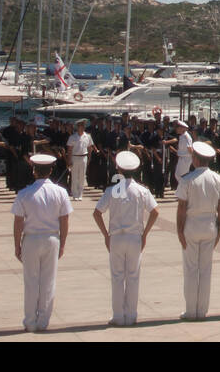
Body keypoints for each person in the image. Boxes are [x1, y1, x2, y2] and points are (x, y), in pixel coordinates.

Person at [94, 151, 159, 326]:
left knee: (117, 277)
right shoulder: (142, 190)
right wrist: (145, 233)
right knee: (133, 276)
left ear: (119, 169)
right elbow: (155, 212)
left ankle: (118, 315)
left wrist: (105, 235)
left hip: (116, 237)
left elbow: (97, 213)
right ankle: (131, 315)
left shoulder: (112, 190)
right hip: (134, 237)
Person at [11, 153, 73, 332]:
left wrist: (17, 245)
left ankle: (30, 321)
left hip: (31, 238)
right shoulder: (60, 192)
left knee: (31, 281)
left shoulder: (24, 193)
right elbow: (64, 220)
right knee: (48, 281)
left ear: (34, 171)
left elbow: (18, 222)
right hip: (51, 238)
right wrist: (62, 243)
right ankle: (43, 320)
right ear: (51, 170)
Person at [177, 141, 220, 320]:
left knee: (191, 269)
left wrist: (179, 232)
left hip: (191, 225)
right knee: (205, 270)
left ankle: (191, 310)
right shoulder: (218, 179)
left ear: (196, 160)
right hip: (209, 226)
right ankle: (202, 310)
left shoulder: (186, 180)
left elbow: (181, 208)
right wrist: (219, 233)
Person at [66, 119, 94, 201]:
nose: (81, 128)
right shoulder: (72, 137)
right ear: (77, 127)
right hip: (75, 157)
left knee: (82, 176)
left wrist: (89, 157)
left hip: (84, 157)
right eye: (80, 126)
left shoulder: (88, 136)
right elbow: (69, 149)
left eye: (83, 126)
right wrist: (69, 160)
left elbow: (90, 147)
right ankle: (75, 194)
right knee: (74, 176)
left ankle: (80, 194)